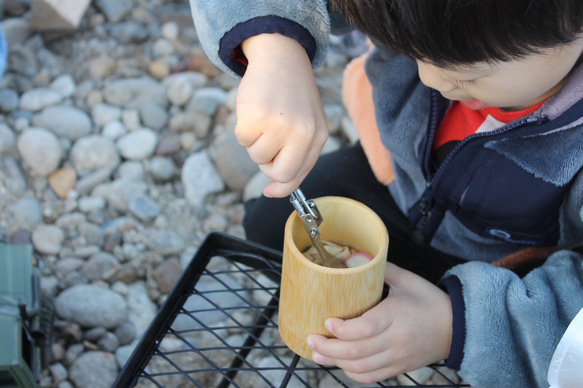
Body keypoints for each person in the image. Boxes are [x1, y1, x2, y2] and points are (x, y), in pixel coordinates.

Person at [188, 1, 583, 387]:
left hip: (505, 267)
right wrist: (273, 47)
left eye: (471, 75)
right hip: (401, 181)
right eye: (410, 51)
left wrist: (457, 325)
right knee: (270, 225)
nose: (431, 79)